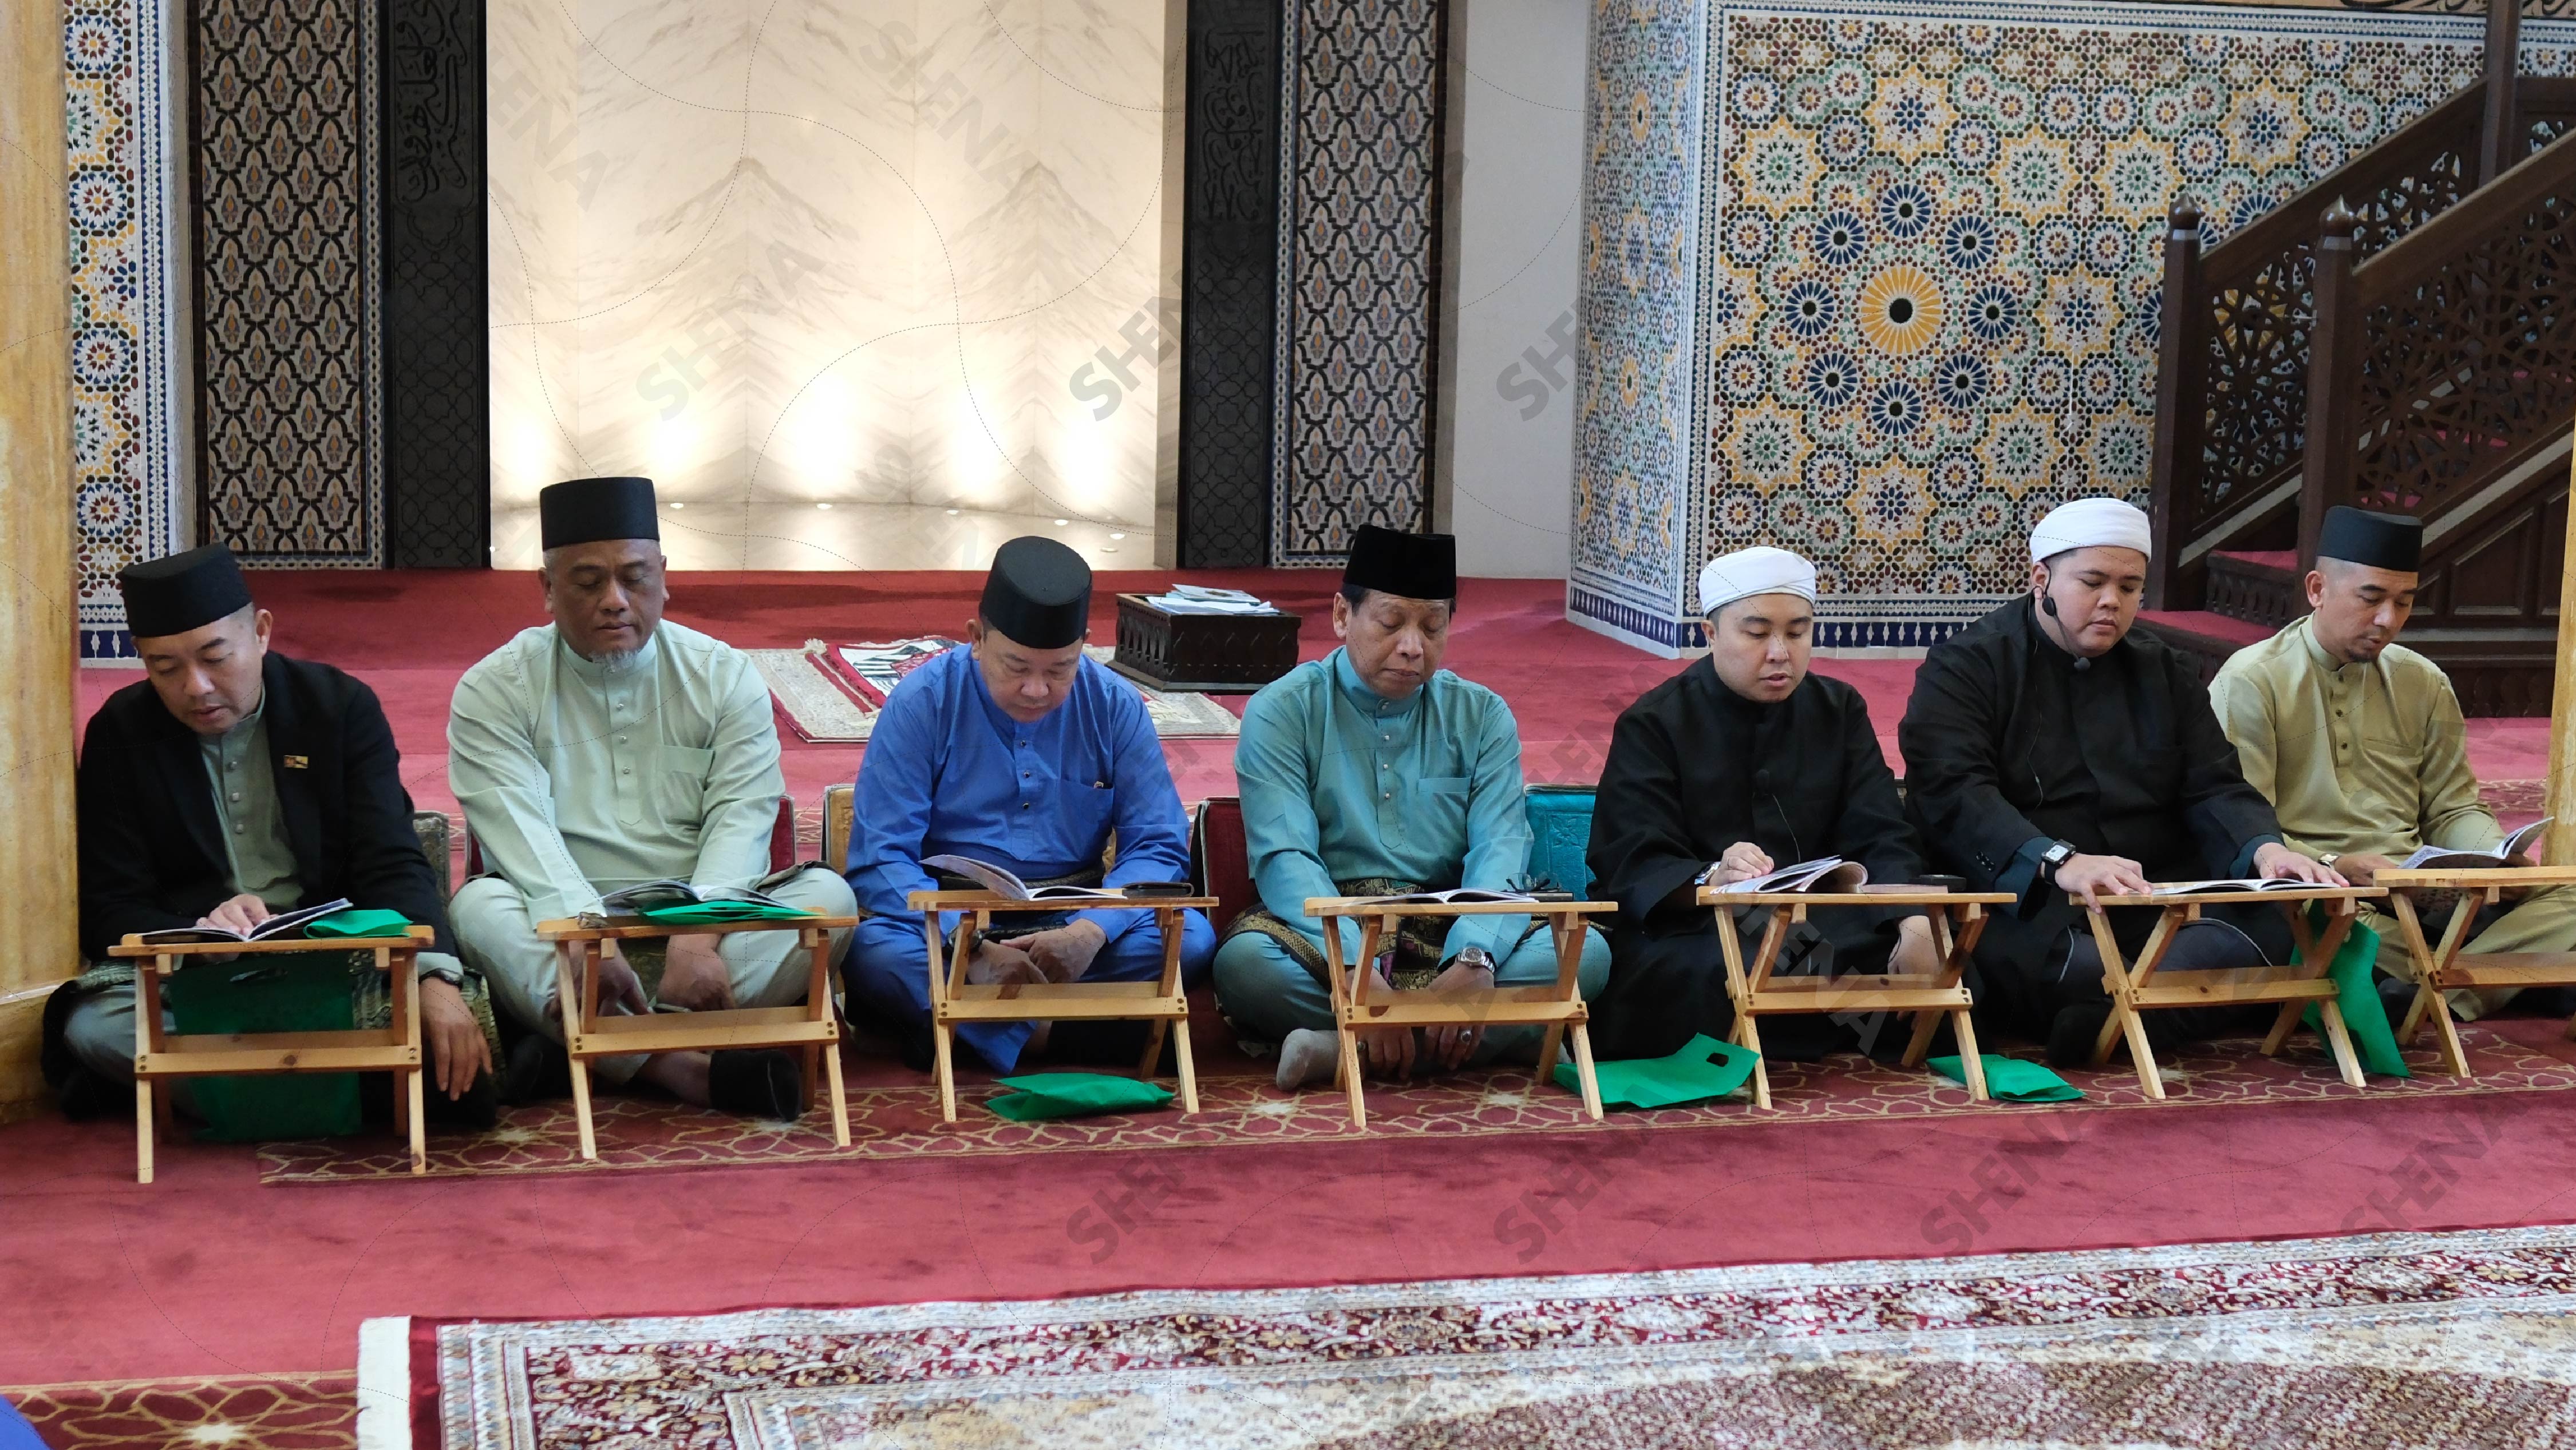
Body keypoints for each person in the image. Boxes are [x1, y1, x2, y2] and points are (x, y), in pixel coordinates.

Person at [44, 545, 497, 1123]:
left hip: (334, 962)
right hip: (197, 975)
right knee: (94, 1024)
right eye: (166, 668)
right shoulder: (122, 733)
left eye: (215, 657)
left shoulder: (338, 709)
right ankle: (356, 1087)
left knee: (459, 1013)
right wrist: (200, 930)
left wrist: (433, 978)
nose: (197, 686)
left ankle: (236, 1089)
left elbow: (390, 861)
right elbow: (109, 903)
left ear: (260, 633)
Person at [447, 476, 856, 1118]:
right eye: (588, 583)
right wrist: (588, 938)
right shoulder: (496, 689)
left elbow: (742, 816)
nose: (615, 601)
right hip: (561, 927)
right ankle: (682, 1067)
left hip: (703, 930)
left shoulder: (723, 676)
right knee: (478, 908)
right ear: (547, 588)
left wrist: (697, 936)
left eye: (634, 579)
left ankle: (582, 1043)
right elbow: (521, 837)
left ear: (665, 577)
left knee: (830, 901)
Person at [1898, 497, 2343, 1062]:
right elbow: (1955, 791)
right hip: (2031, 895)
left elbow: (2214, 784)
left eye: (2129, 587)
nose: (2112, 600)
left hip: (2151, 892)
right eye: (2093, 582)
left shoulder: (2162, 670)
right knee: (2073, 963)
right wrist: (2057, 859)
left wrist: (2264, 848)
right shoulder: (1967, 666)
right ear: (2041, 579)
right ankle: (2163, 1008)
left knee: (2279, 920)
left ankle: (2122, 1022)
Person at [1213, 526, 1610, 1089]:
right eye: (1391, 622)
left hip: (1451, 926)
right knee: (1246, 968)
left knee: (1585, 954)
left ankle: (1345, 1049)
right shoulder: (1284, 710)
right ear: (1342, 615)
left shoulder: (1481, 716)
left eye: (1432, 626)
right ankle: (1505, 1034)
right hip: (1335, 926)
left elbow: (1501, 846)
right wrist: (1356, 969)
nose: (1412, 646)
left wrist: (1475, 957)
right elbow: (1286, 856)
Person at [841, 536, 1214, 1073]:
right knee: (871, 951)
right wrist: (970, 947)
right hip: (952, 918)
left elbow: (1157, 843)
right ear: (977, 639)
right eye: (1017, 667)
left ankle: (966, 1028)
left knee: (1192, 940)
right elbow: (881, 858)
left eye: (1059, 670)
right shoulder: (923, 702)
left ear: (1085, 646)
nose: (1037, 689)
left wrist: (1088, 932)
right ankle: (1067, 1039)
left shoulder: (1114, 704)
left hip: (1074, 916)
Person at [2210, 505, 2576, 1020]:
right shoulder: (2252, 681)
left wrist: (2491, 858)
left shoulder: (2422, 681)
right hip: (2325, 889)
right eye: (2372, 598)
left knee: (2567, 897)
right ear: (2317, 589)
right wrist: (2336, 864)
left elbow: (2452, 807)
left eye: (2404, 602)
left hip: (2423, 889)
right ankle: (2491, 979)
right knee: (2336, 930)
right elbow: (2243, 824)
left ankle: (2433, 994)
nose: (2388, 619)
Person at [1587, 546, 1939, 1061]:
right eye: (1757, 634)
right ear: (1710, 634)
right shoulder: (1655, 722)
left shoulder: (1839, 710)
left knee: (1943, 958)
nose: (1780, 652)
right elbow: (1631, 856)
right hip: (1701, 926)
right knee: (1718, 969)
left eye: (1797, 632)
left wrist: (1912, 917)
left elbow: (1882, 829)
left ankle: (1820, 1034)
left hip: (1820, 919)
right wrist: (1714, 877)